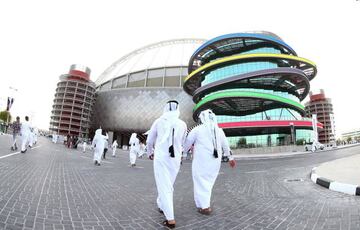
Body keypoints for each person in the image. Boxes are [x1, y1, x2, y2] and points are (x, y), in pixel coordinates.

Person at [184, 109, 236, 215]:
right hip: (215, 162)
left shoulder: (197, 129)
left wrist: (182, 154)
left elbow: (187, 143)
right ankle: (200, 204)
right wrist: (230, 158)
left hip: (200, 162)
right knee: (207, 182)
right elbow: (226, 145)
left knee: (201, 182)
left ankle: (205, 207)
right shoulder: (220, 130)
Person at [146, 100, 187, 229]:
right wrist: (182, 156)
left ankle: (170, 219)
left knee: (164, 186)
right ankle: (162, 204)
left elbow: (149, 140)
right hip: (175, 159)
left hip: (161, 158)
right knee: (167, 183)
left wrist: (149, 153)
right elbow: (183, 143)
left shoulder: (158, 121)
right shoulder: (183, 124)